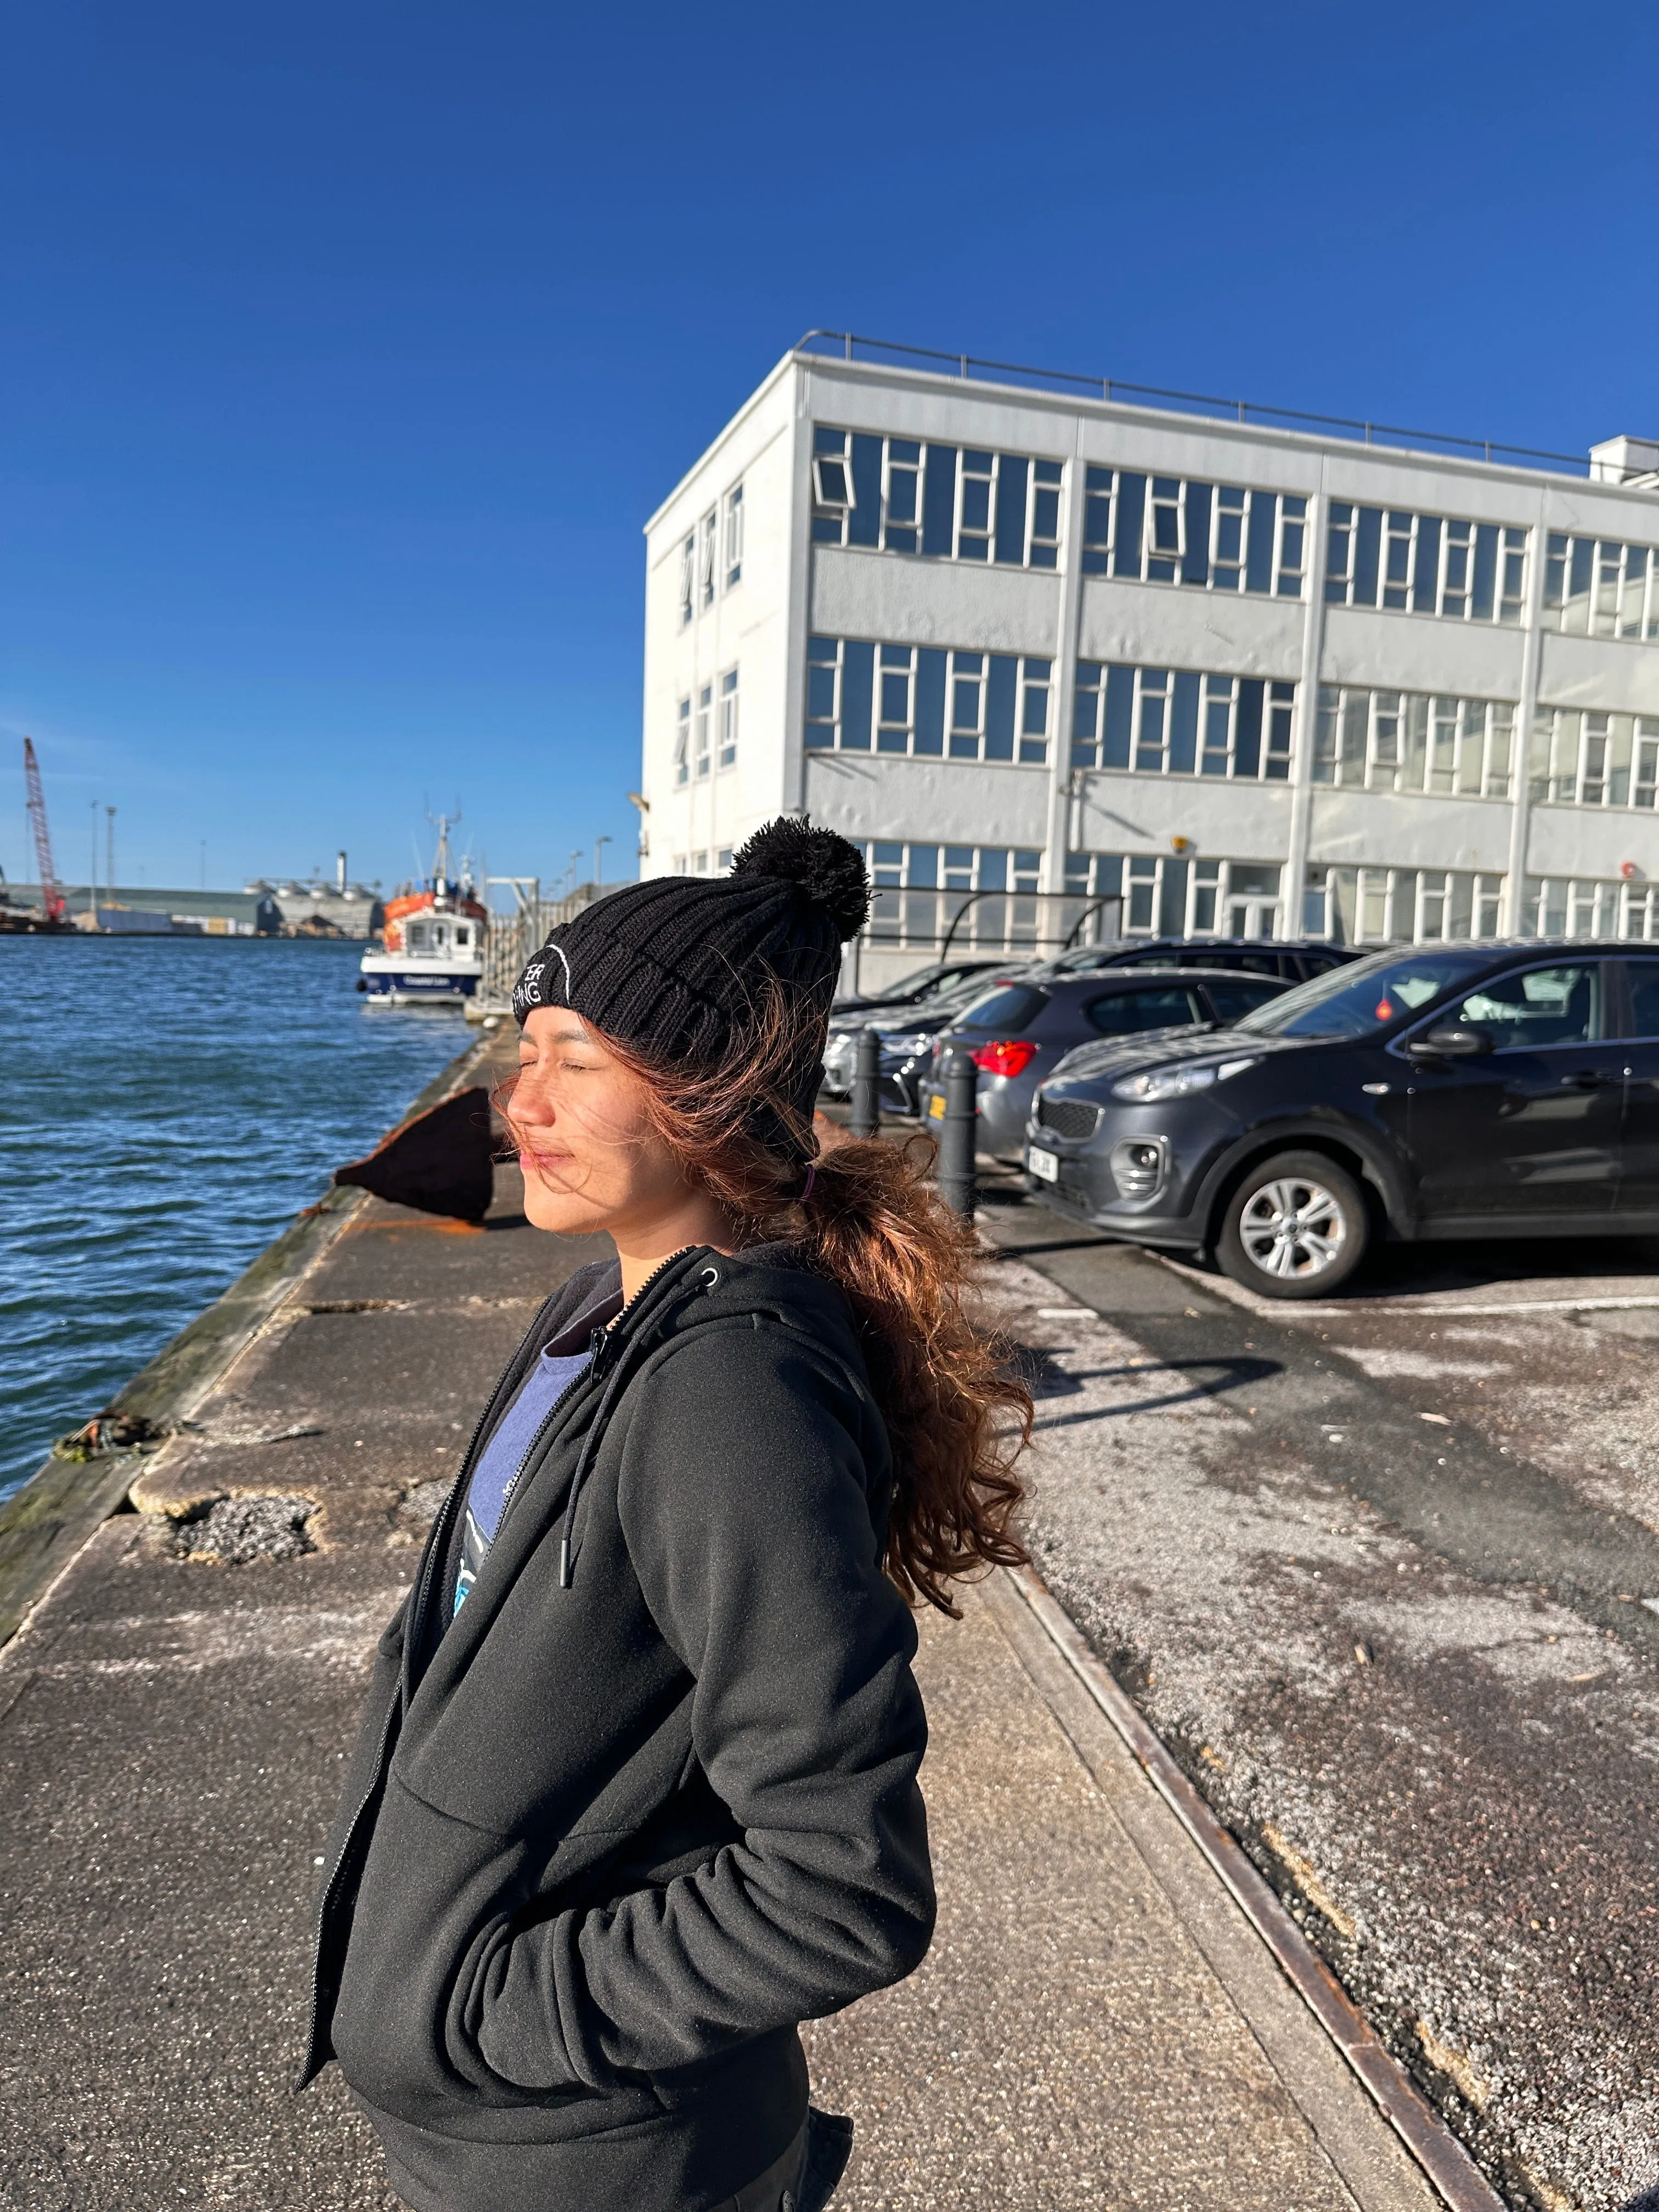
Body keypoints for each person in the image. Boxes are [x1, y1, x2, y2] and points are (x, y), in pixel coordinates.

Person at [300, 819, 1032, 2212]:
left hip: (605, 2166)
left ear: (713, 1098)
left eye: (579, 1062)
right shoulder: (593, 1306)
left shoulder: (730, 1397)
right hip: (506, 2145)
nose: (525, 1104)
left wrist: (476, 2016)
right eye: (527, 1057)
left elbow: (840, 1884)